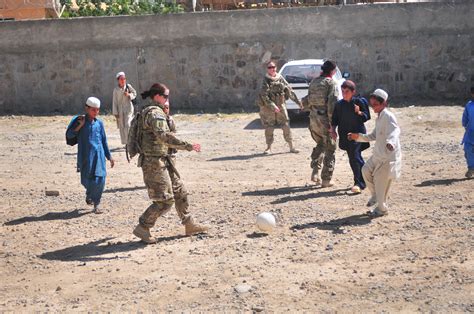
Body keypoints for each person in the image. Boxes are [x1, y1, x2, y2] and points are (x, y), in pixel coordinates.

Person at [132, 83, 208, 244]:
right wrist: (187, 145)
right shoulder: (154, 113)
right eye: (165, 96)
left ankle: (189, 224)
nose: (167, 100)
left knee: (180, 191)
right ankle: (143, 227)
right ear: (157, 96)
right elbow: (164, 136)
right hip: (154, 163)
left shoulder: (157, 112)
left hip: (164, 159)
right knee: (164, 200)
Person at [348, 89, 402, 217]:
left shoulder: (388, 116)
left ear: (384, 103)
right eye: (372, 105)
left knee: (380, 184)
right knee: (365, 170)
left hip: (388, 157)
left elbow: (395, 131)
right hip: (378, 154)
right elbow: (373, 135)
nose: (373, 108)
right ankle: (375, 196)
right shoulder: (380, 117)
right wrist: (358, 137)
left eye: (375, 105)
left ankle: (382, 209)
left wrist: (391, 143)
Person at [66, 97, 115, 214]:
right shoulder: (79, 121)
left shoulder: (99, 124)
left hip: (99, 156)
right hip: (86, 156)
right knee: (87, 180)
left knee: (100, 179)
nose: (96, 112)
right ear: (87, 109)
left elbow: (104, 141)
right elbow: (70, 135)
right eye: (93, 110)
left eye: (98, 110)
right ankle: (89, 194)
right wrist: (79, 126)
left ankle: (96, 204)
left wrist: (109, 156)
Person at [302, 60, 339, 187]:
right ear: (333, 71)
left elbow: (307, 100)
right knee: (330, 148)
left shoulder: (314, 82)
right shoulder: (331, 83)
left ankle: (315, 172)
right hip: (324, 120)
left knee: (320, 144)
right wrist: (332, 125)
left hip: (313, 119)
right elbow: (332, 104)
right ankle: (326, 180)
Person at [331, 80, 371, 194]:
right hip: (345, 136)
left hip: (358, 135)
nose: (344, 94)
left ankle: (358, 183)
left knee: (355, 157)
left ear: (353, 92)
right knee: (354, 158)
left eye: (347, 91)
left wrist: (359, 113)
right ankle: (368, 175)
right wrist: (333, 130)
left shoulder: (359, 102)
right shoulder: (339, 105)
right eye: (342, 91)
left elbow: (367, 116)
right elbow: (335, 120)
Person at [256, 61, 302, 154]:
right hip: (268, 108)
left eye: (273, 67)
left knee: (286, 125)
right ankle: (268, 148)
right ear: (267, 69)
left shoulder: (280, 78)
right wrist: (273, 106)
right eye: (269, 67)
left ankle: (291, 147)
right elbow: (264, 96)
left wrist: (298, 103)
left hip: (281, 105)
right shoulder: (265, 80)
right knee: (269, 127)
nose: (272, 69)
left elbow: (289, 90)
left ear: (276, 67)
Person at [112, 71, 137, 146]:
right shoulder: (116, 90)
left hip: (128, 109)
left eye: (124, 79)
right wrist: (115, 113)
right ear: (118, 80)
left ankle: (130, 142)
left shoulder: (128, 86)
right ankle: (126, 143)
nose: (123, 80)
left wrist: (129, 95)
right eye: (121, 79)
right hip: (120, 110)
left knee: (128, 124)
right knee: (122, 126)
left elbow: (134, 93)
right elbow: (114, 102)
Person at [462, 87, 474, 178]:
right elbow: (465, 117)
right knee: (468, 150)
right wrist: (465, 125)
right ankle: (471, 168)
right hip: (470, 133)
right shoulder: (469, 105)